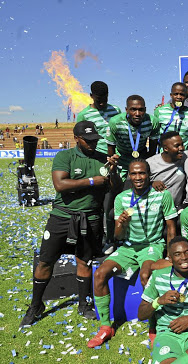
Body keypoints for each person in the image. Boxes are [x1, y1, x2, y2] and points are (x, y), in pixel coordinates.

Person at [19, 121, 120, 327]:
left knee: (84, 261)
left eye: (95, 140)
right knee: (46, 261)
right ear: (76, 138)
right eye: (88, 140)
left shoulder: (102, 159)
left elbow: (114, 188)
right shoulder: (65, 156)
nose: (92, 144)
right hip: (62, 217)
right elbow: (60, 184)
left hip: (90, 218)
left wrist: (114, 170)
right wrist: (91, 181)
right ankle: (36, 304)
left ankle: (84, 304)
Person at [88, 159, 177, 347]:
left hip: (152, 246)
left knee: (146, 274)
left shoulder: (162, 195)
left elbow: (170, 228)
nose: (138, 177)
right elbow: (118, 236)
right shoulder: (121, 198)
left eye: (142, 173)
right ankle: (106, 327)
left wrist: (170, 256)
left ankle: (154, 327)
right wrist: (121, 223)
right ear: (129, 176)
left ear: (149, 175)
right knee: (100, 274)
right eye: (134, 174)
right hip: (128, 248)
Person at [107, 95, 160, 181]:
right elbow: (110, 147)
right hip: (122, 158)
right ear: (126, 110)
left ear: (145, 110)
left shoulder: (152, 122)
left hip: (141, 158)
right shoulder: (115, 122)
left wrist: (147, 166)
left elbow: (152, 150)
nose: (138, 114)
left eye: (141, 110)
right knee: (119, 188)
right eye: (133, 109)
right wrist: (114, 164)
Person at [76, 81, 121, 162]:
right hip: (97, 156)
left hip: (116, 155)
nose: (102, 103)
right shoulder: (83, 115)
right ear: (91, 96)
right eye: (98, 100)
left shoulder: (116, 110)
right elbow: (80, 139)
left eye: (105, 100)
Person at [154, 82, 188, 150]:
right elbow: (154, 136)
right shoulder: (160, 111)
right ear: (171, 95)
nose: (179, 97)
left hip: (183, 156)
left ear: (186, 96)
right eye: (176, 94)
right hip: (164, 156)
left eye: (182, 94)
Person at [147, 131, 187, 209]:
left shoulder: (185, 157)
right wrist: (151, 183)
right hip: (155, 210)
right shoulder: (150, 163)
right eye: (177, 146)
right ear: (165, 149)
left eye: (182, 144)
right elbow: (135, 183)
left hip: (175, 209)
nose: (181, 148)